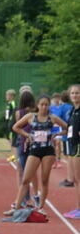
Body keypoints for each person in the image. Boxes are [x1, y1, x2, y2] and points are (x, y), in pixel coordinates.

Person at [10, 95, 68, 212]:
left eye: (46, 105)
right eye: (42, 104)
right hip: (35, 150)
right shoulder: (31, 116)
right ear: (37, 105)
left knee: (44, 179)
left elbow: (67, 128)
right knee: (26, 179)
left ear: (49, 106)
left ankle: (40, 207)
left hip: (48, 150)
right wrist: (28, 135)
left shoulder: (52, 118)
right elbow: (15, 127)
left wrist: (57, 134)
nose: (44, 107)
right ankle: (17, 207)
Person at [63, 84, 80, 219]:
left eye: (77, 93)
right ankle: (78, 208)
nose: (74, 95)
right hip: (73, 145)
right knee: (75, 179)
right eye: (73, 93)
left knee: (78, 179)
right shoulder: (73, 110)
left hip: (78, 146)